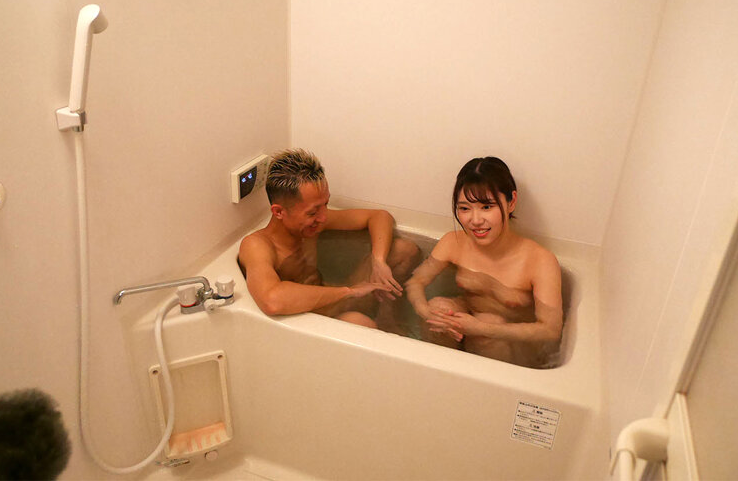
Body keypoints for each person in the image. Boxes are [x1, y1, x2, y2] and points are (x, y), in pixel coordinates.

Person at [405, 157, 563, 368]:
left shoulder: (539, 260)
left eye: (486, 207)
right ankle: (441, 373)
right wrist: (425, 311)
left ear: (511, 202)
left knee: (489, 323)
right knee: (438, 308)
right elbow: (415, 282)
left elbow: (550, 330)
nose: (476, 220)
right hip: (469, 325)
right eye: (465, 208)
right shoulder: (454, 242)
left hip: (513, 346)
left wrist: (481, 329)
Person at [239, 148, 421, 329]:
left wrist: (378, 261)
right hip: (306, 317)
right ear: (279, 212)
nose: (324, 217)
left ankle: (388, 319)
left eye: (325, 204)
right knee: (361, 323)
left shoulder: (314, 223)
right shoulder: (257, 245)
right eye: (312, 212)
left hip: (334, 296)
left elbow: (380, 217)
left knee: (405, 250)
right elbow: (272, 300)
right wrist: (349, 291)